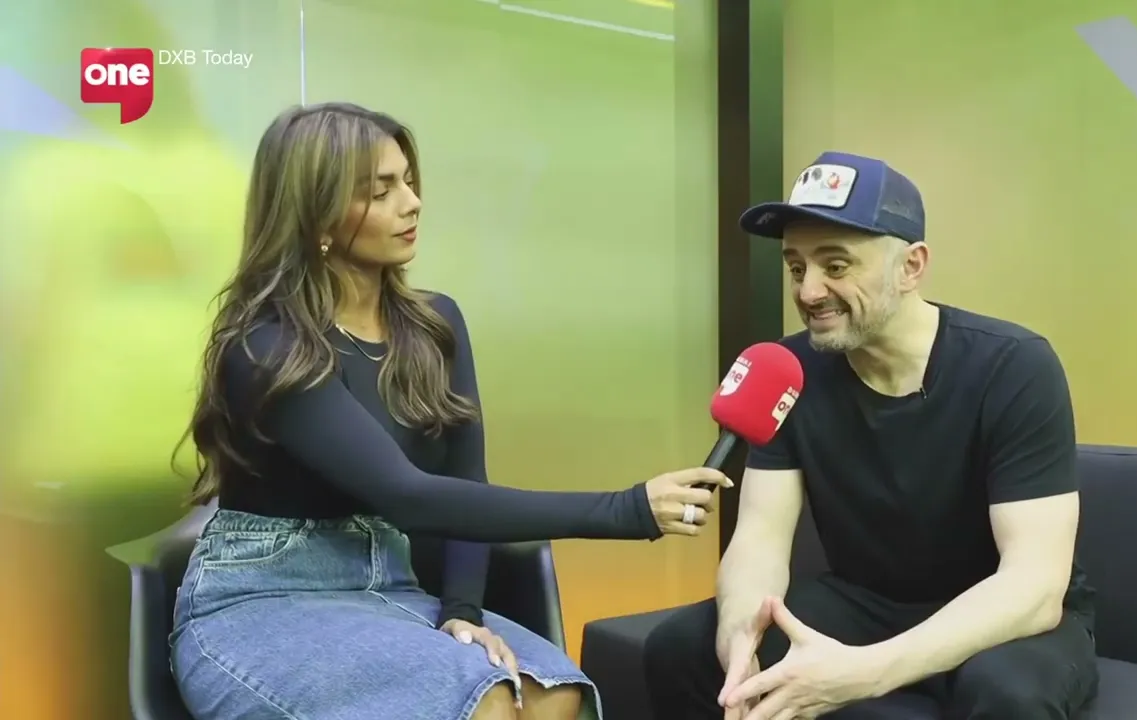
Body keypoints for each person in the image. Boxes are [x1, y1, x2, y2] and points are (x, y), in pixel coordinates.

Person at [168, 102, 731, 720]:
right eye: (381, 191)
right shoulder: (267, 347)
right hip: (263, 601)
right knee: (484, 701)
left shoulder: (435, 324)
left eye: (409, 182)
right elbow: (408, 495)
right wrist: (628, 509)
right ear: (317, 216)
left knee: (553, 695)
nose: (411, 203)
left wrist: (462, 611)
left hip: (390, 585)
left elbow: (466, 481)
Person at [642, 152, 1098, 720]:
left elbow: (1034, 584)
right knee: (682, 650)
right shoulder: (788, 372)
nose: (809, 291)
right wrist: (739, 637)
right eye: (796, 267)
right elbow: (759, 538)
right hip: (867, 601)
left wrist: (865, 672)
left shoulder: (1013, 366)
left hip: (1000, 611)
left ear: (911, 267)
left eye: (836, 266)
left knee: (1009, 696)